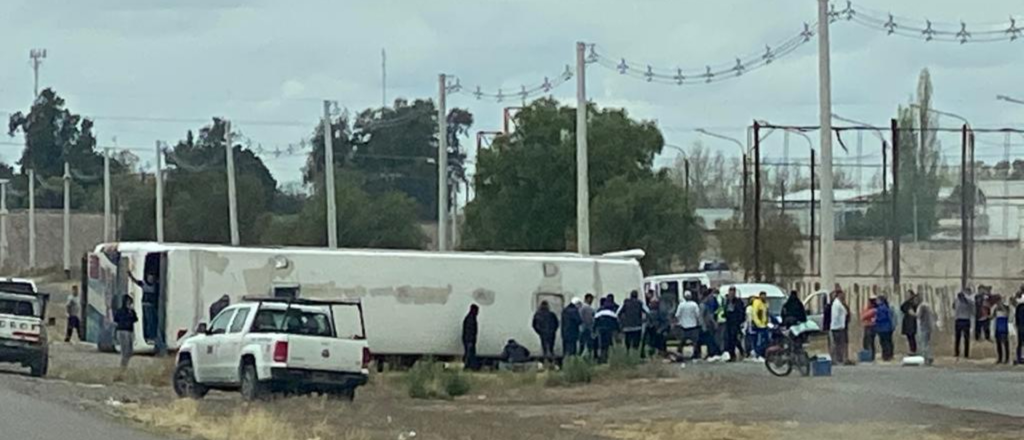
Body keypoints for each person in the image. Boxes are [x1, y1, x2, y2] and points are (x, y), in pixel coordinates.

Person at [113, 295, 139, 371]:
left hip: (129, 331)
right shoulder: (121, 311)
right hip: (123, 331)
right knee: (125, 351)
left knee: (130, 351)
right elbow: (116, 319)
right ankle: (123, 367)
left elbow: (135, 319)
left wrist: (132, 312)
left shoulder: (131, 311)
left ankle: (124, 365)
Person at [674, 291, 702, 361]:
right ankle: (696, 354)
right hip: (693, 326)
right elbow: (698, 314)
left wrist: (678, 322)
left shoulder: (681, 305)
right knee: (695, 342)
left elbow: (677, 315)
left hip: (683, 327)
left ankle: (679, 354)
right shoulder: (694, 304)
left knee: (681, 342)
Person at [723, 287, 746, 362]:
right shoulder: (727, 301)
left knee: (734, 339)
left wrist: (740, 321)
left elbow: (741, 312)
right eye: (730, 292)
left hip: (735, 323)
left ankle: (739, 352)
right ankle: (732, 354)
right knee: (729, 340)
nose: (731, 294)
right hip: (728, 322)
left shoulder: (738, 301)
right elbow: (725, 310)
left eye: (732, 292)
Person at [594, 298, 619, 363]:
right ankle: (607, 357)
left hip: (601, 329)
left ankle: (601, 358)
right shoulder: (611, 311)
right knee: (609, 344)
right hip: (609, 329)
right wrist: (618, 330)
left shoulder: (599, 311)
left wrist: (594, 329)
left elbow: (595, 321)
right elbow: (616, 322)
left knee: (602, 344)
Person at [830, 290, 851, 365]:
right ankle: (835, 359)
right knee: (837, 343)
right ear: (839, 295)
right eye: (842, 294)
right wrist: (838, 325)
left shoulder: (840, 303)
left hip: (841, 326)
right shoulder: (836, 304)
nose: (843, 296)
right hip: (837, 327)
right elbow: (835, 316)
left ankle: (840, 358)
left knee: (840, 343)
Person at [699, 292, 720, 359]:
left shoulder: (705, 305)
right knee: (709, 340)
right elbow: (702, 316)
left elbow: (707, 316)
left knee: (709, 340)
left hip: (708, 325)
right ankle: (711, 352)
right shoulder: (703, 305)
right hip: (707, 325)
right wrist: (704, 326)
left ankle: (710, 352)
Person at [954, 289, 973, 359]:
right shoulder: (957, 300)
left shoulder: (968, 301)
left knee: (966, 338)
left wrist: (965, 299)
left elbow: (972, 308)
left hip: (965, 319)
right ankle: (956, 352)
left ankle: (966, 353)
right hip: (959, 319)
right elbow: (954, 307)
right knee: (957, 338)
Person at [875, 296, 895, 361]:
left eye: (877, 300)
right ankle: (890, 354)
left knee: (884, 342)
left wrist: (875, 319)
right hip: (888, 327)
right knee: (889, 341)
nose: (876, 301)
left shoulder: (880, 308)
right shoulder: (887, 308)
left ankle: (886, 355)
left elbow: (881, 318)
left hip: (882, 328)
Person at [917, 299, 936, 366]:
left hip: (924, 327)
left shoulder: (922, 307)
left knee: (924, 343)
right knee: (927, 343)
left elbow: (918, 316)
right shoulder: (927, 306)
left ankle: (927, 358)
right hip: (928, 327)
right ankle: (929, 357)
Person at [993, 295, 1011, 365]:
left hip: (1004, 328)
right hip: (998, 327)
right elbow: (993, 316)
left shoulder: (1006, 307)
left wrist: (1001, 306)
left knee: (1005, 344)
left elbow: (1007, 313)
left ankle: (1007, 358)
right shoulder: (996, 309)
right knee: (998, 344)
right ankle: (1000, 358)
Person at [751, 292, 770, 359]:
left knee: (765, 340)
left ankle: (763, 354)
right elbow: (755, 314)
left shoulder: (764, 304)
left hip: (764, 325)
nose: (764, 297)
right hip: (759, 326)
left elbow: (766, 314)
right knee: (759, 341)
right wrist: (758, 323)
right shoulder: (757, 303)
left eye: (765, 296)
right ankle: (758, 355)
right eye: (763, 296)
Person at [462, 304, 480, 370]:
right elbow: (470, 331)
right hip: (469, 340)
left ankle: (469, 366)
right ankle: (467, 366)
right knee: (469, 354)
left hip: (468, 340)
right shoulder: (471, 319)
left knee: (469, 354)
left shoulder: (469, 318)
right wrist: (470, 340)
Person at [860, 297, 878, 361]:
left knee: (869, 341)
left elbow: (863, 316)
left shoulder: (873, 310)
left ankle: (871, 356)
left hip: (870, 327)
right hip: (867, 326)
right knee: (866, 341)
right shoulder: (869, 309)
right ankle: (868, 354)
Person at [1016, 292, 1024, 365]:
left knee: (1020, 343)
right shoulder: (1020, 307)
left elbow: (1017, 318)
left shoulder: (1019, 307)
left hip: (1020, 326)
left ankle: (1019, 358)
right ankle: (1020, 358)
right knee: (1020, 343)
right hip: (1021, 326)